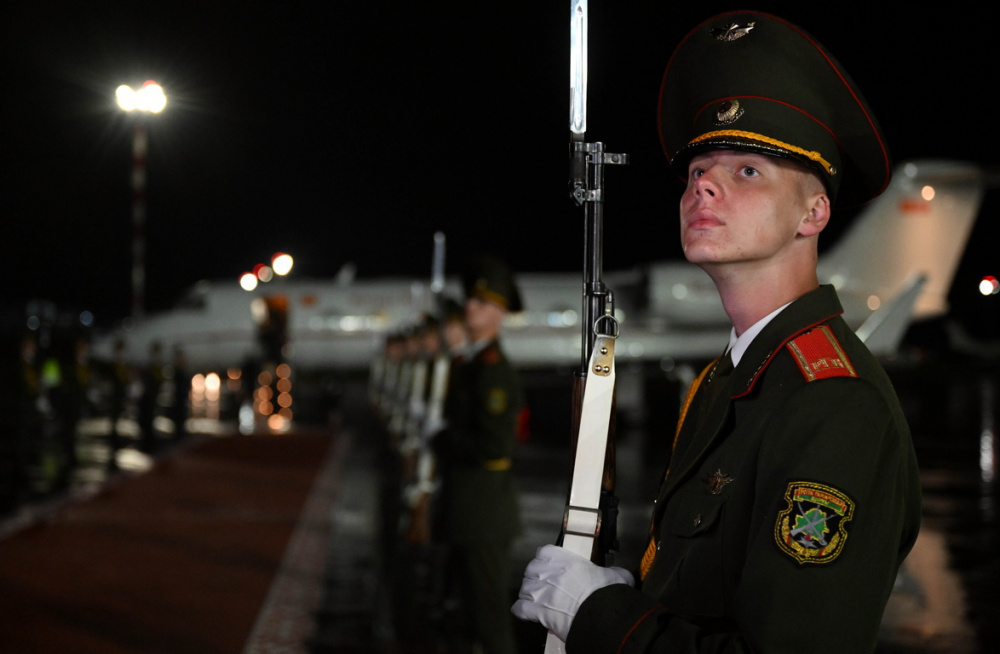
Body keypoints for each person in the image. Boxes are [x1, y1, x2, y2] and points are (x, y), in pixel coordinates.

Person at [512, 11, 921, 653]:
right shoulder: (730, 377)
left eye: (747, 171)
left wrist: (602, 616)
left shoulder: (834, 403)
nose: (704, 183)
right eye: (698, 169)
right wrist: (634, 598)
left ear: (813, 213)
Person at [433, 256, 524, 654]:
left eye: (482, 302)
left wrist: (442, 437)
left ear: (500, 314)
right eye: (471, 299)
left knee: (490, 623)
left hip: (483, 513)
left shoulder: (493, 371)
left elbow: (493, 446)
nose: (470, 307)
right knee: (464, 618)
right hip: (466, 509)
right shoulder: (472, 365)